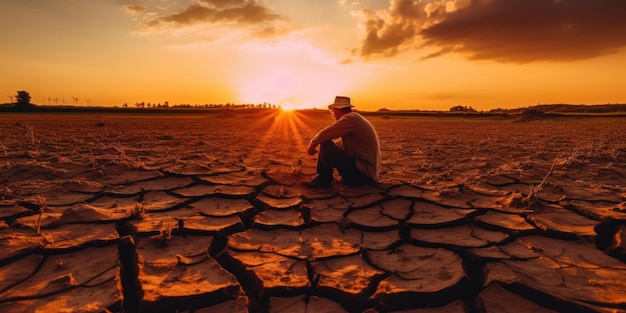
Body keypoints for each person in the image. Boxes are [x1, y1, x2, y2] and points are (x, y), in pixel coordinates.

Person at [303, 96, 381, 188]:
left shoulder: (350, 118)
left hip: (363, 175)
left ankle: (324, 179)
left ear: (336, 110)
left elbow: (325, 134)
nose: (332, 114)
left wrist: (312, 145)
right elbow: (341, 147)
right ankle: (333, 178)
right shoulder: (355, 118)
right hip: (368, 175)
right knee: (330, 146)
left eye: (332, 111)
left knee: (325, 142)